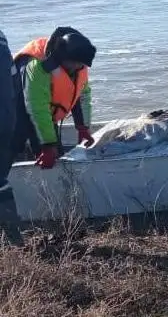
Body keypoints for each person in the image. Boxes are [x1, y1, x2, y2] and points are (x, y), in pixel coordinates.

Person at [11, 27, 97, 169]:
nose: (79, 67)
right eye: (77, 64)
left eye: (82, 65)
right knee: (13, 146)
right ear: (64, 58)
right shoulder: (38, 66)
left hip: (45, 112)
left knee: (56, 157)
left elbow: (81, 95)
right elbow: (37, 107)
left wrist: (83, 127)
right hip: (18, 105)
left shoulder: (79, 64)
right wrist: (48, 145)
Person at [0, 28, 22, 244]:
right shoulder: (4, 44)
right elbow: (16, 88)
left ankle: (13, 242)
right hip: (7, 122)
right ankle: (13, 241)